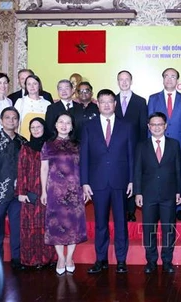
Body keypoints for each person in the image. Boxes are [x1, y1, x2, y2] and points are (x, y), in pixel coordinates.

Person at [80, 89, 134, 274]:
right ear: (98, 104)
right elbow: (84, 155)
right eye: (102, 101)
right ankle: (100, 259)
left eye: (109, 101)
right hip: (97, 182)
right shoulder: (88, 126)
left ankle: (121, 260)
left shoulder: (126, 126)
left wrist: (132, 180)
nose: (106, 105)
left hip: (120, 181)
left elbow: (131, 155)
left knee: (121, 223)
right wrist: (85, 182)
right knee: (100, 223)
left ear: (115, 104)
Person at [40, 113, 88, 275]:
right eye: (61, 122)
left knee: (74, 223)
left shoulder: (79, 145)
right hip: (54, 190)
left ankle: (70, 257)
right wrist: (43, 191)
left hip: (75, 189)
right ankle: (60, 257)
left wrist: (85, 187)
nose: (64, 125)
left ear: (72, 126)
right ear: (55, 125)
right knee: (55, 223)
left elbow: (85, 167)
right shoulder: (48, 145)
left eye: (68, 122)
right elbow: (44, 168)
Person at [134, 112, 181, 274]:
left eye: (160, 124)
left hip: (169, 193)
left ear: (165, 126)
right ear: (148, 127)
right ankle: (151, 261)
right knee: (149, 229)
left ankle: (167, 260)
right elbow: (138, 170)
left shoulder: (174, 145)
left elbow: (178, 170)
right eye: (153, 125)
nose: (156, 127)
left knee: (169, 229)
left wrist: (179, 191)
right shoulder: (141, 146)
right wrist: (138, 193)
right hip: (148, 194)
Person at [147, 68, 181, 221]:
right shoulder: (153, 99)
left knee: (177, 174)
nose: (170, 79)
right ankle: (158, 206)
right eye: (167, 76)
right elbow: (149, 123)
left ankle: (177, 208)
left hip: (179, 144)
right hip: (158, 143)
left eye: (173, 77)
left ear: (177, 80)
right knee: (160, 174)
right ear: (162, 79)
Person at [16, 117, 57, 268]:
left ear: (44, 127)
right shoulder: (26, 147)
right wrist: (21, 192)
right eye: (32, 127)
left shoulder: (51, 146)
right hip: (31, 192)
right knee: (31, 226)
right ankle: (32, 260)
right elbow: (21, 170)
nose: (36, 130)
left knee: (48, 225)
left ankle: (49, 259)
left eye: (38, 126)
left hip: (49, 191)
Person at [0, 107, 27, 270]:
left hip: (18, 194)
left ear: (18, 121)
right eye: (7, 118)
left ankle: (16, 259)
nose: (11, 121)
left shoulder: (23, 142)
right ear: (1, 120)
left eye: (14, 118)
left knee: (17, 228)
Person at [114, 70, 148, 222]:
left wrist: (141, 147)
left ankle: (131, 210)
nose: (124, 82)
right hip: (115, 149)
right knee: (119, 177)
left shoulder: (140, 101)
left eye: (127, 79)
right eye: (121, 79)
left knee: (133, 177)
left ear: (131, 81)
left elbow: (143, 127)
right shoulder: (111, 100)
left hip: (134, 146)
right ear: (118, 82)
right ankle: (119, 208)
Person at [14, 75, 51, 140]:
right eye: (29, 84)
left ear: (39, 85)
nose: (32, 86)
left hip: (43, 142)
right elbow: (15, 123)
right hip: (24, 141)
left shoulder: (47, 104)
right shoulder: (20, 102)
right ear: (26, 86)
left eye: (34, 83)